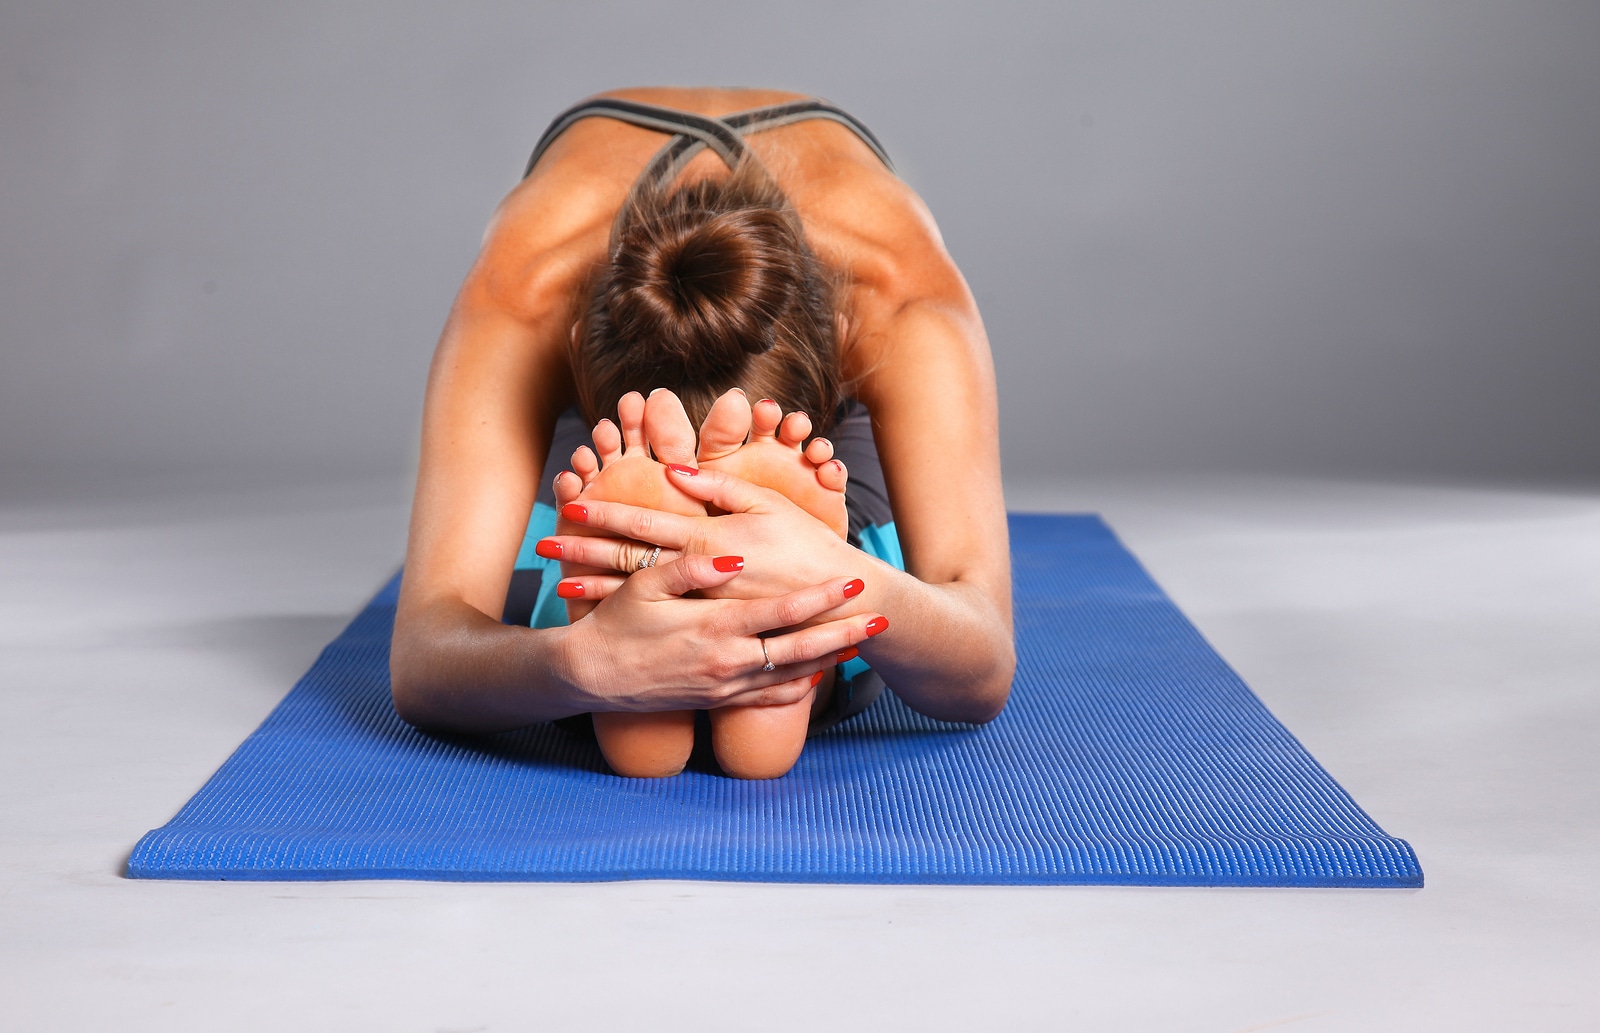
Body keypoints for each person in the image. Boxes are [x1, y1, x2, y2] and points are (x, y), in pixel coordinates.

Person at [390, 87, 1014, 779]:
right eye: (678, 477)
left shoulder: (896, 295)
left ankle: (653, 560)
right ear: (572, 354)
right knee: (888, 574)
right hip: (701, 397)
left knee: (562, 530)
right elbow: (978, 663)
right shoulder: (523, 292)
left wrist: (565, 665)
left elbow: (434, 653)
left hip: (651, 409)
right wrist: (589, 664)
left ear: (843, 357)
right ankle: (797, 651)